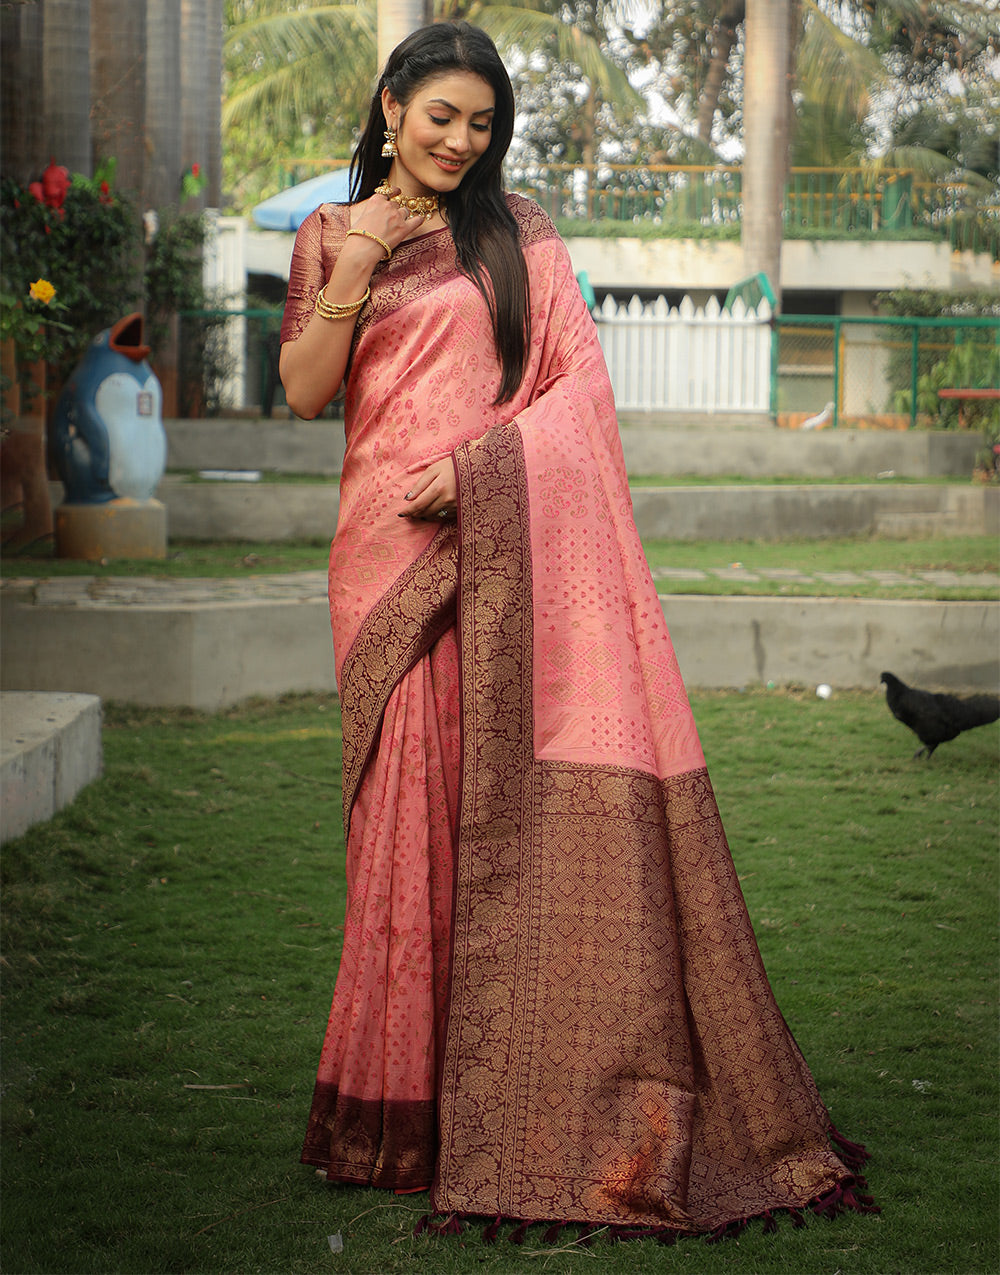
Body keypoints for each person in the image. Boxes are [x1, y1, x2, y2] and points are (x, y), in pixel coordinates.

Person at [280, 20, 876, 1239]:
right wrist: (366, 254)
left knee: (501, 831)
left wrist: (479, 467)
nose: (459, 140)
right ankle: (393, 1119)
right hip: (387, 571)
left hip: (502, 558)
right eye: (439, 114)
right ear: (389, 105)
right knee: (405, 837)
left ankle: (516, 1098)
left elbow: (579, 394)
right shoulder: (330, 235)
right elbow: (303, 391)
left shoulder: (522, 236)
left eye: (482, 124)